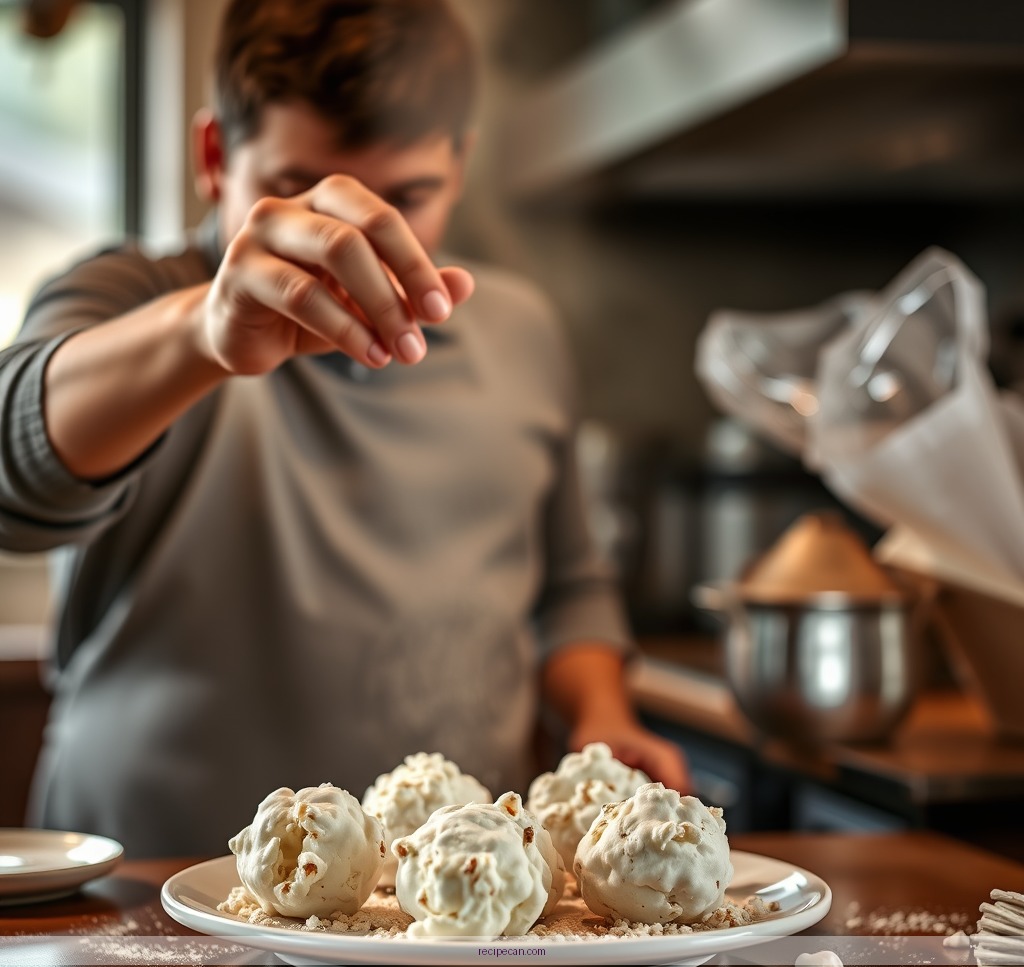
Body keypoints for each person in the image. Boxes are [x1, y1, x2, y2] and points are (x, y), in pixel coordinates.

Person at [0, 0, 688, 857]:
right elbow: (13, 467)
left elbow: (568, 588)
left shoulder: (522, 333)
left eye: (409, 196)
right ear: (215, 157)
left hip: (456, 906)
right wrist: (203, 333)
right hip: (146, 883)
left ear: (461, 162)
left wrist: (599, 717)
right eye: (298, 194)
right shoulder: (131, 301)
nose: (348, 237)